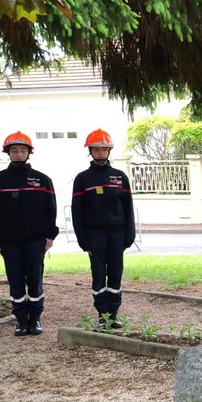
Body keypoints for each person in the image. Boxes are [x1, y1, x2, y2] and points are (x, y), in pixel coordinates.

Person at [0, 131, 58, 336]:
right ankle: (20, 320)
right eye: (14, 150)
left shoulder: (42, 180)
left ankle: (35, 318)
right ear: (8, 152)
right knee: (15, 279)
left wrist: (50, 235)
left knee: (35, 279)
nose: (18, 154)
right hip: (9, 241)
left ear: (29, 153)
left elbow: (51, 210)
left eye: (22, 150)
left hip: (35, 239)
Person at [71, 129, 136, 328]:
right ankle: (102, 315)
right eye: (96, 149)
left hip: (117, 234)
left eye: (104, 149)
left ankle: (114, 314)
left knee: (116, 273)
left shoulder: (119, 177)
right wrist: (83, 240)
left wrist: (129, 236)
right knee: (98, 275)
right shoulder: (82, 179)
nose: (100, 153)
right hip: (94, 235)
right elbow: (77, 212)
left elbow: (128, 208)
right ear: (90, 151)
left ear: (109, 150)